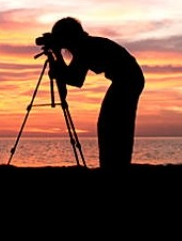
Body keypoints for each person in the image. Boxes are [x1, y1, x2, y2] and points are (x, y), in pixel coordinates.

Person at [43, 17, 145, 171]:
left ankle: (114, 166)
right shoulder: (84, 45)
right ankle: (115, 165)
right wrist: (57, 58)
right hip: (128, 79)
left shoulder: (84, 47)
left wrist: (57, 61)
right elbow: (71, 75)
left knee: (111, 124)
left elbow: (75, 79)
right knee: (115, 124)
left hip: (127, 79)